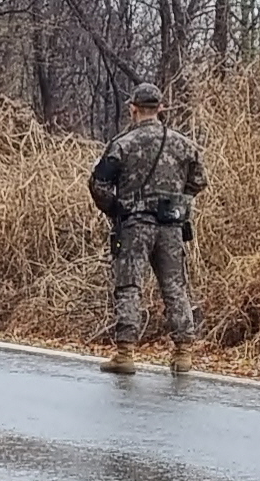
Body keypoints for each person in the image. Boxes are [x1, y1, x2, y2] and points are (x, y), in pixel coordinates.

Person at [88, 81, 208, 376]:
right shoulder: (184, 144)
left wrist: (116, 209)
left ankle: (125, 353)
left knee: (129, 286)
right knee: (175, 287)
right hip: (171, 226)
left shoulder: (122, 144)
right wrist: (178, 200)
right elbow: (199, 181)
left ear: (133, 109)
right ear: (161, 108)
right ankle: (183, 354)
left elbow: (98, 184)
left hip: (134, 226)